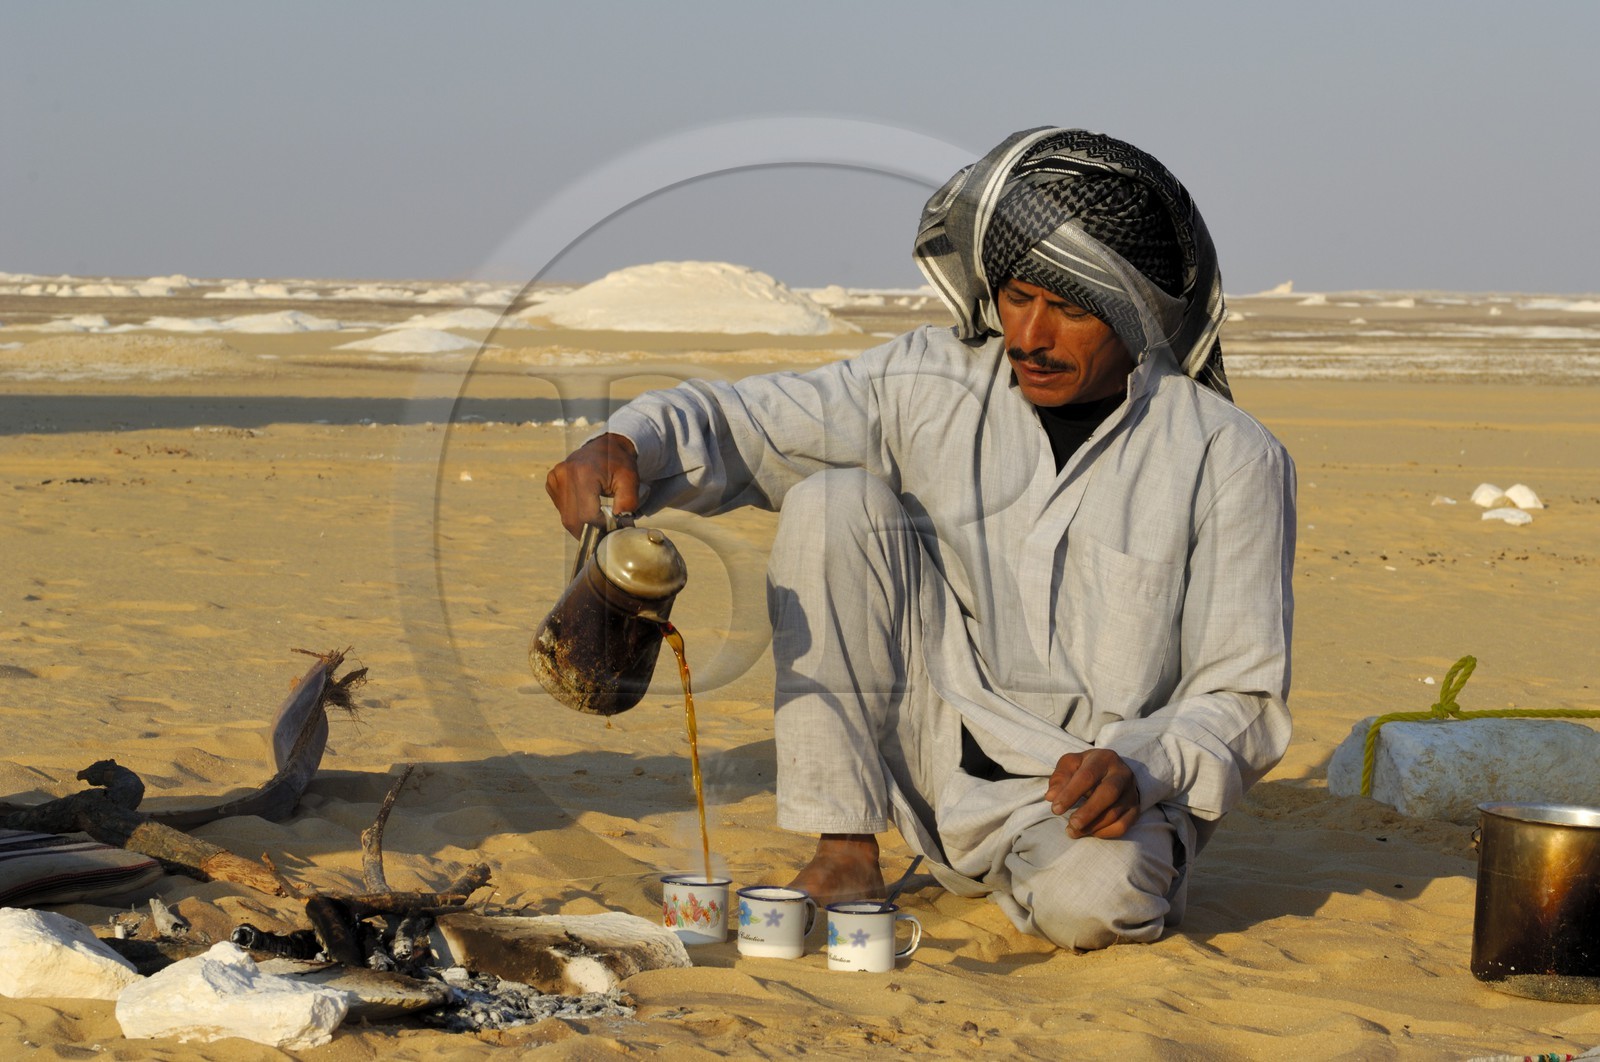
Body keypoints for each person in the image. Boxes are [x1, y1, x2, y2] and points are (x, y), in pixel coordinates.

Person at [545, 128, 1295, 951]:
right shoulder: (930, 383)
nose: (1030, 336)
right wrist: (629, 443)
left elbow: (1243, 695)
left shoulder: (1228, 455)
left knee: (1096, 906)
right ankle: (844, 850)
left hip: (1094, 789)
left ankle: (1041, 866)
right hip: (936, 748)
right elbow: (747, 422)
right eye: (1015, 298)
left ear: (1133, 312)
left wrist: (1145, 768)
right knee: (833, 500)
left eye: (1071, 309)